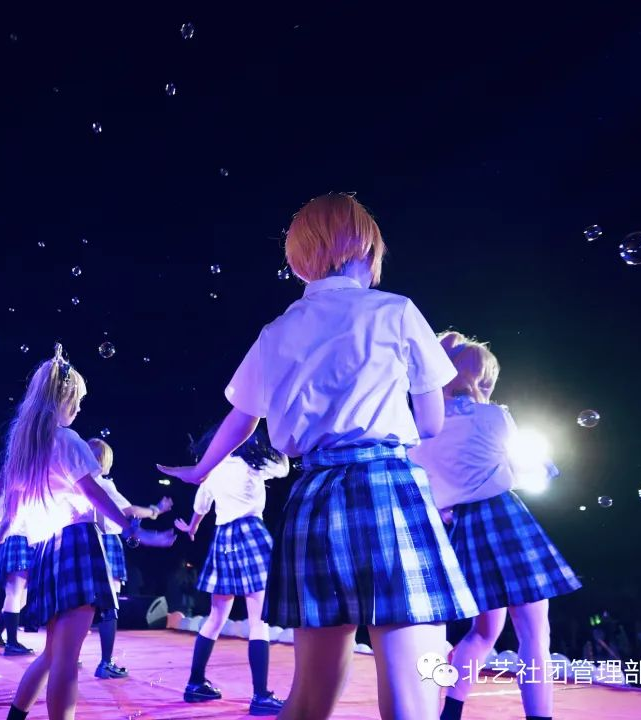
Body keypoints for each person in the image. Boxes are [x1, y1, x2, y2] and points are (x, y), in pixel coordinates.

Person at [159, 193, 478, 720]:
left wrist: (199, 469)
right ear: (366, 249)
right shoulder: (395, 310)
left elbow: (242, 417)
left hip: (313, 499)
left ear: (300, 260)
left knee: (309, 698)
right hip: (385, 487)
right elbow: (430, 423)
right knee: (412, 691)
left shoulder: (276, 331)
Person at [408, 331, 581, 720]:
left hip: (462, 529)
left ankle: (450, 712)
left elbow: (431, 487)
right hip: (504, 522)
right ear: (480, 379)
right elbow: (521, 471)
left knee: (483, 631)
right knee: (534, 633)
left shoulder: (421, 429)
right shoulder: (494, 416)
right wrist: (542, 471)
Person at [2, 345, 139, 720]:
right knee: (66, 658)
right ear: (60, 399)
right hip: (76, 545)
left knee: (51, 654)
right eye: (75, 400)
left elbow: (13, 504)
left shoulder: (28, 448)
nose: (78, 409)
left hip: (47, 548)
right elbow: (93, 491)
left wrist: (0, 532)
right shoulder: (67, 440)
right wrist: (129, 525)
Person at [172, 425, 288, 715]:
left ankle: (195, 683)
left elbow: (201, 507)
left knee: (215, 618)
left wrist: (192, 528)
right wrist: (278, 443)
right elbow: (284, 469)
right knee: (258, 620)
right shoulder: (253, 464)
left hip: (223, 539)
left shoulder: (213, 472)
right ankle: (260, 696)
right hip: (250, 534)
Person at [85, 437, 174, 679]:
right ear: (104, 461)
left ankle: (69, 657)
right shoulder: (102, 484)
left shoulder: (77, 482)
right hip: (105, 542)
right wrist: (156, 511)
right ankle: (106, 663)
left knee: (83, 606)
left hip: (83, 542)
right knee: (109, 605)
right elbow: (129, 511)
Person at [0, 477, 36, 656]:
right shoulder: (16, 489)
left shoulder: (2, 495)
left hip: (17, 541)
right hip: (19, 540)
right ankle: (12, 643)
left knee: (20, 598)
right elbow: (9, 518)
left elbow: (3, 520)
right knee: (15, 593)